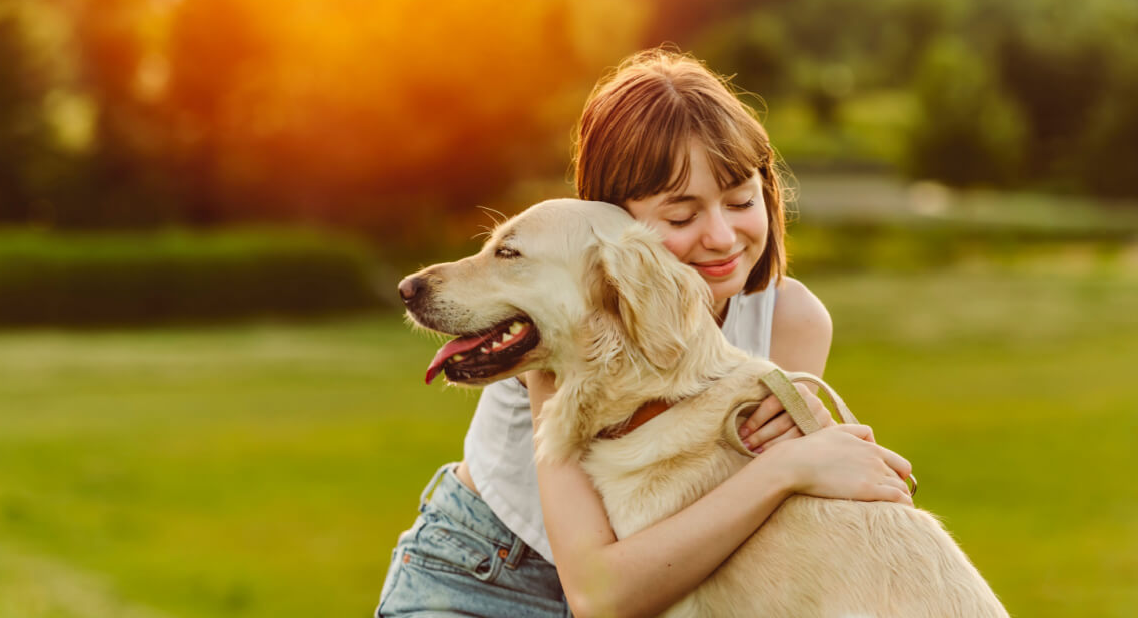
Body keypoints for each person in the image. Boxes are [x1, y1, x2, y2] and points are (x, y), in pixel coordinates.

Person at [376, 50, 913, 618]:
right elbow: (597, 592)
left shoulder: (790, 323)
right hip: (487, 579)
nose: (722, 236)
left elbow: (748, 529)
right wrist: (789, 468)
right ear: (609, 220)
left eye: (740, 201)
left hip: (673, 587)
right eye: (680, 217)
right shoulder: (565, 332)